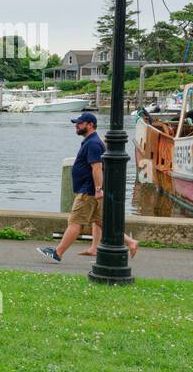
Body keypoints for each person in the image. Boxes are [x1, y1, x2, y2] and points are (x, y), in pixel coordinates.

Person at [39, 112, 138, 263]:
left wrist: (98, 189)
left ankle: (57, 253)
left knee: (75, 222)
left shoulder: (92, 143)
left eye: (80, 123)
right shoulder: (91, 141)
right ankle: (128, 242)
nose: (76, 126)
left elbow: (97, 168)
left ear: (90, 125)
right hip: (91, 190)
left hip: (88, 191)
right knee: (100, 222)